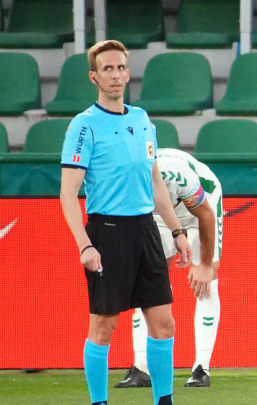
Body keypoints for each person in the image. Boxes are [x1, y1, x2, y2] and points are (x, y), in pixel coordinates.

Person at [59, 40, 202, 405]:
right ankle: (99, 402)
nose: (116, 74)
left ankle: (163, 400)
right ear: (94, 76)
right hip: (106, 233)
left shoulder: (141, 119)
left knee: (164, 322)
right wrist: (84, 245)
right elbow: (68, 194)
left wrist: (178, 231)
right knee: (104, 325)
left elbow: (156, 184)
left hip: (146, 230)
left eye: (121, 67)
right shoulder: (83, 126)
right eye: (107, 68)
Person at [115, 148, 223, 389]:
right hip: (159, 218)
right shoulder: (125, 183)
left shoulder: (180, 177)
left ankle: (201, 368)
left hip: (199, 207)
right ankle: (141, 367)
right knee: (146, 283)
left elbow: (205, 216)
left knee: (206, 282)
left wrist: (204, 264)